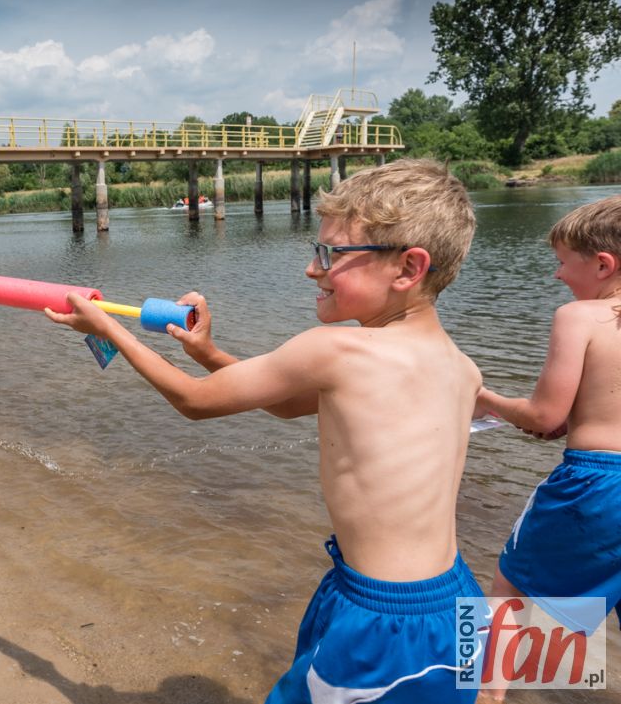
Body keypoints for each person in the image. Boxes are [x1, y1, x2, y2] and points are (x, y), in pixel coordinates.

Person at [46, 159, 482, 702]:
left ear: (407, 268)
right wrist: (206, 352)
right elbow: (290, 403)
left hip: (381, 616)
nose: (311, 269)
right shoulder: (462, 366)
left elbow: (192, 403)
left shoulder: (336, 349)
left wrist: (105, 325)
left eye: (330, 255)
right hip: (455, 600)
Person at [476, 195, 621, 647]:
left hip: (600, 483)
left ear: (603, 264)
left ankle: (485, 693)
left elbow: (544, 415)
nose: (557, 274)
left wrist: (486, 398)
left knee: (511, 583)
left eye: (562, 262)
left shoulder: (578, 316)